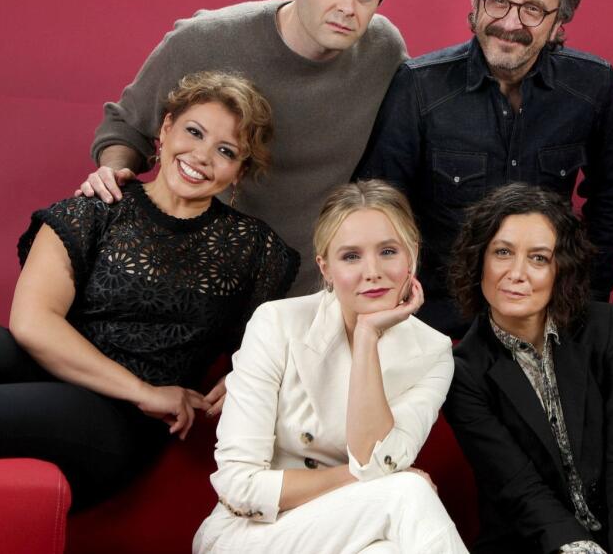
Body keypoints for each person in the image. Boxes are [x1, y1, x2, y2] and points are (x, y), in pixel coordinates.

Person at [0, 72, 297, 553]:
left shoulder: (255, 250)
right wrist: (144, 390)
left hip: (118, 424)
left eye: (226, 151)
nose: (202, 156)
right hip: (83, 374)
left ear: (240, 171)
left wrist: (250, 371)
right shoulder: (96, 208)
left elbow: (286, 341)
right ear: (164, 131)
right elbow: (33, 323)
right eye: (194, 132)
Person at [82, 0, 407, 296]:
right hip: (201, 282)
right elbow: (125, 126)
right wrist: (114, 172)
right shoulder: (205, 42)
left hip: (315, 291)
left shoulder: (384, 50)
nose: (347, 8)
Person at [356, 0, 613, 338]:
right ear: (475, 1)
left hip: (543, 318)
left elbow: (612, 202)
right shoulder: (418, 86)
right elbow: (378, 209)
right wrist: (400, 314)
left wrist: (585, 304)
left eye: (533, 10)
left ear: (558, 22)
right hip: (437, 322)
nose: (510, 23)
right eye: (498, 1)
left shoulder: (594, 88)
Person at [194, 180, 466, 554]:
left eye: (388, 251)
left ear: (412, 256)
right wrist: (364, 479)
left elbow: (373, 461)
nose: (372, 271)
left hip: (353, 528)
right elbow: (239, 487)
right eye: (350, 257)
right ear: (325, 267)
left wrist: (368, 336)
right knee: (407, 490)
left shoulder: (432, 352)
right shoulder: (276, 323)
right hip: (250, 533)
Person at [442, 184, 613, 554]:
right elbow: (516, 485)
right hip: (535, 539)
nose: (517, 273)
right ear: (480, 260)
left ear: (561, 269)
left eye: (538, 258)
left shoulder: (608, 329)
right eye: (503, 253)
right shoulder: (463, 372)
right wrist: (576, 547)